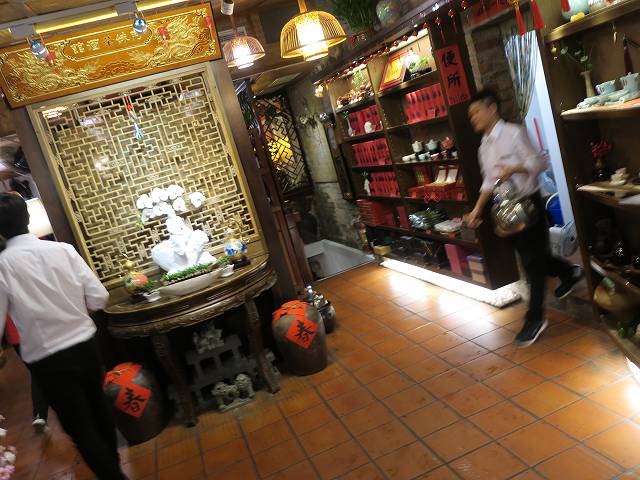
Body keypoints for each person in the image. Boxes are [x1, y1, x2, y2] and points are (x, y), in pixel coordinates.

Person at [0, 193, 126, 479]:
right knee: (100, 409)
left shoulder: (3, 266)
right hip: (85, 345)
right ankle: (113, 467)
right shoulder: (63, 250)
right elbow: (99, 298)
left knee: (79, 425)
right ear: (27, 218)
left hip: (47, 358)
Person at [465, 90, 583, 347]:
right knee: (533, 258)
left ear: (492, 108)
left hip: (529, 204)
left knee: (532, 264)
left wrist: (515, 169)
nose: (473, 118)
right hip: (505, 209)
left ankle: (535, 318)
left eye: (476, 112)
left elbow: (539, 164)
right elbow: (488, 182)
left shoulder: (513, 133)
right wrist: (477, 210)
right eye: (470, 115)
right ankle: (569, 271)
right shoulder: (483, 146)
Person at [3, 315, 49, 432]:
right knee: (42, 370)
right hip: (30, 331)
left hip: (16, 337)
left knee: (38, 371)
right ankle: (40, 414)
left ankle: (39, 415)